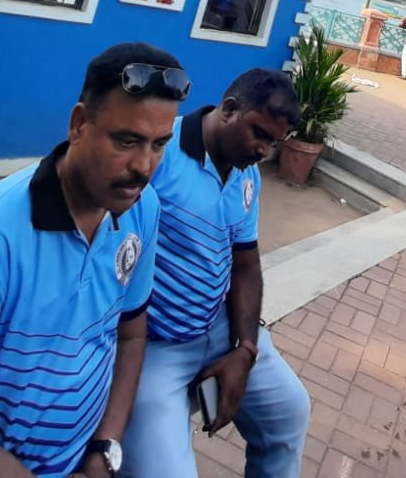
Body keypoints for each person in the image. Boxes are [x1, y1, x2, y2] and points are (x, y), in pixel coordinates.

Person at [0, 42, 188, 478]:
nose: (144, 166)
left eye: (159, 145)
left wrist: (104, 449)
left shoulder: (142, 207)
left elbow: (129, 336)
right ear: (79, 124)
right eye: (127, 141)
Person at [122, 68, 311, 477]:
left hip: (221, 327)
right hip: (156, 343)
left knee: (291, 410)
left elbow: (246, 265)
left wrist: (245, 349)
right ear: (229, 109)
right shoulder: (161, 153)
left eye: (273, 143)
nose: (264, 151)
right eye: (259, 134)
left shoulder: (247, 176)